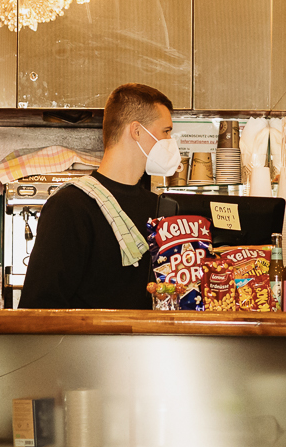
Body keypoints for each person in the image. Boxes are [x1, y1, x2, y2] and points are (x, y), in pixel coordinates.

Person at [17, 83, 180, 309]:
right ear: (137, 131)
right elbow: (37, 309)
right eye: (166, 132)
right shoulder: (70, 206)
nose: (171, 142)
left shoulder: (160, 209)